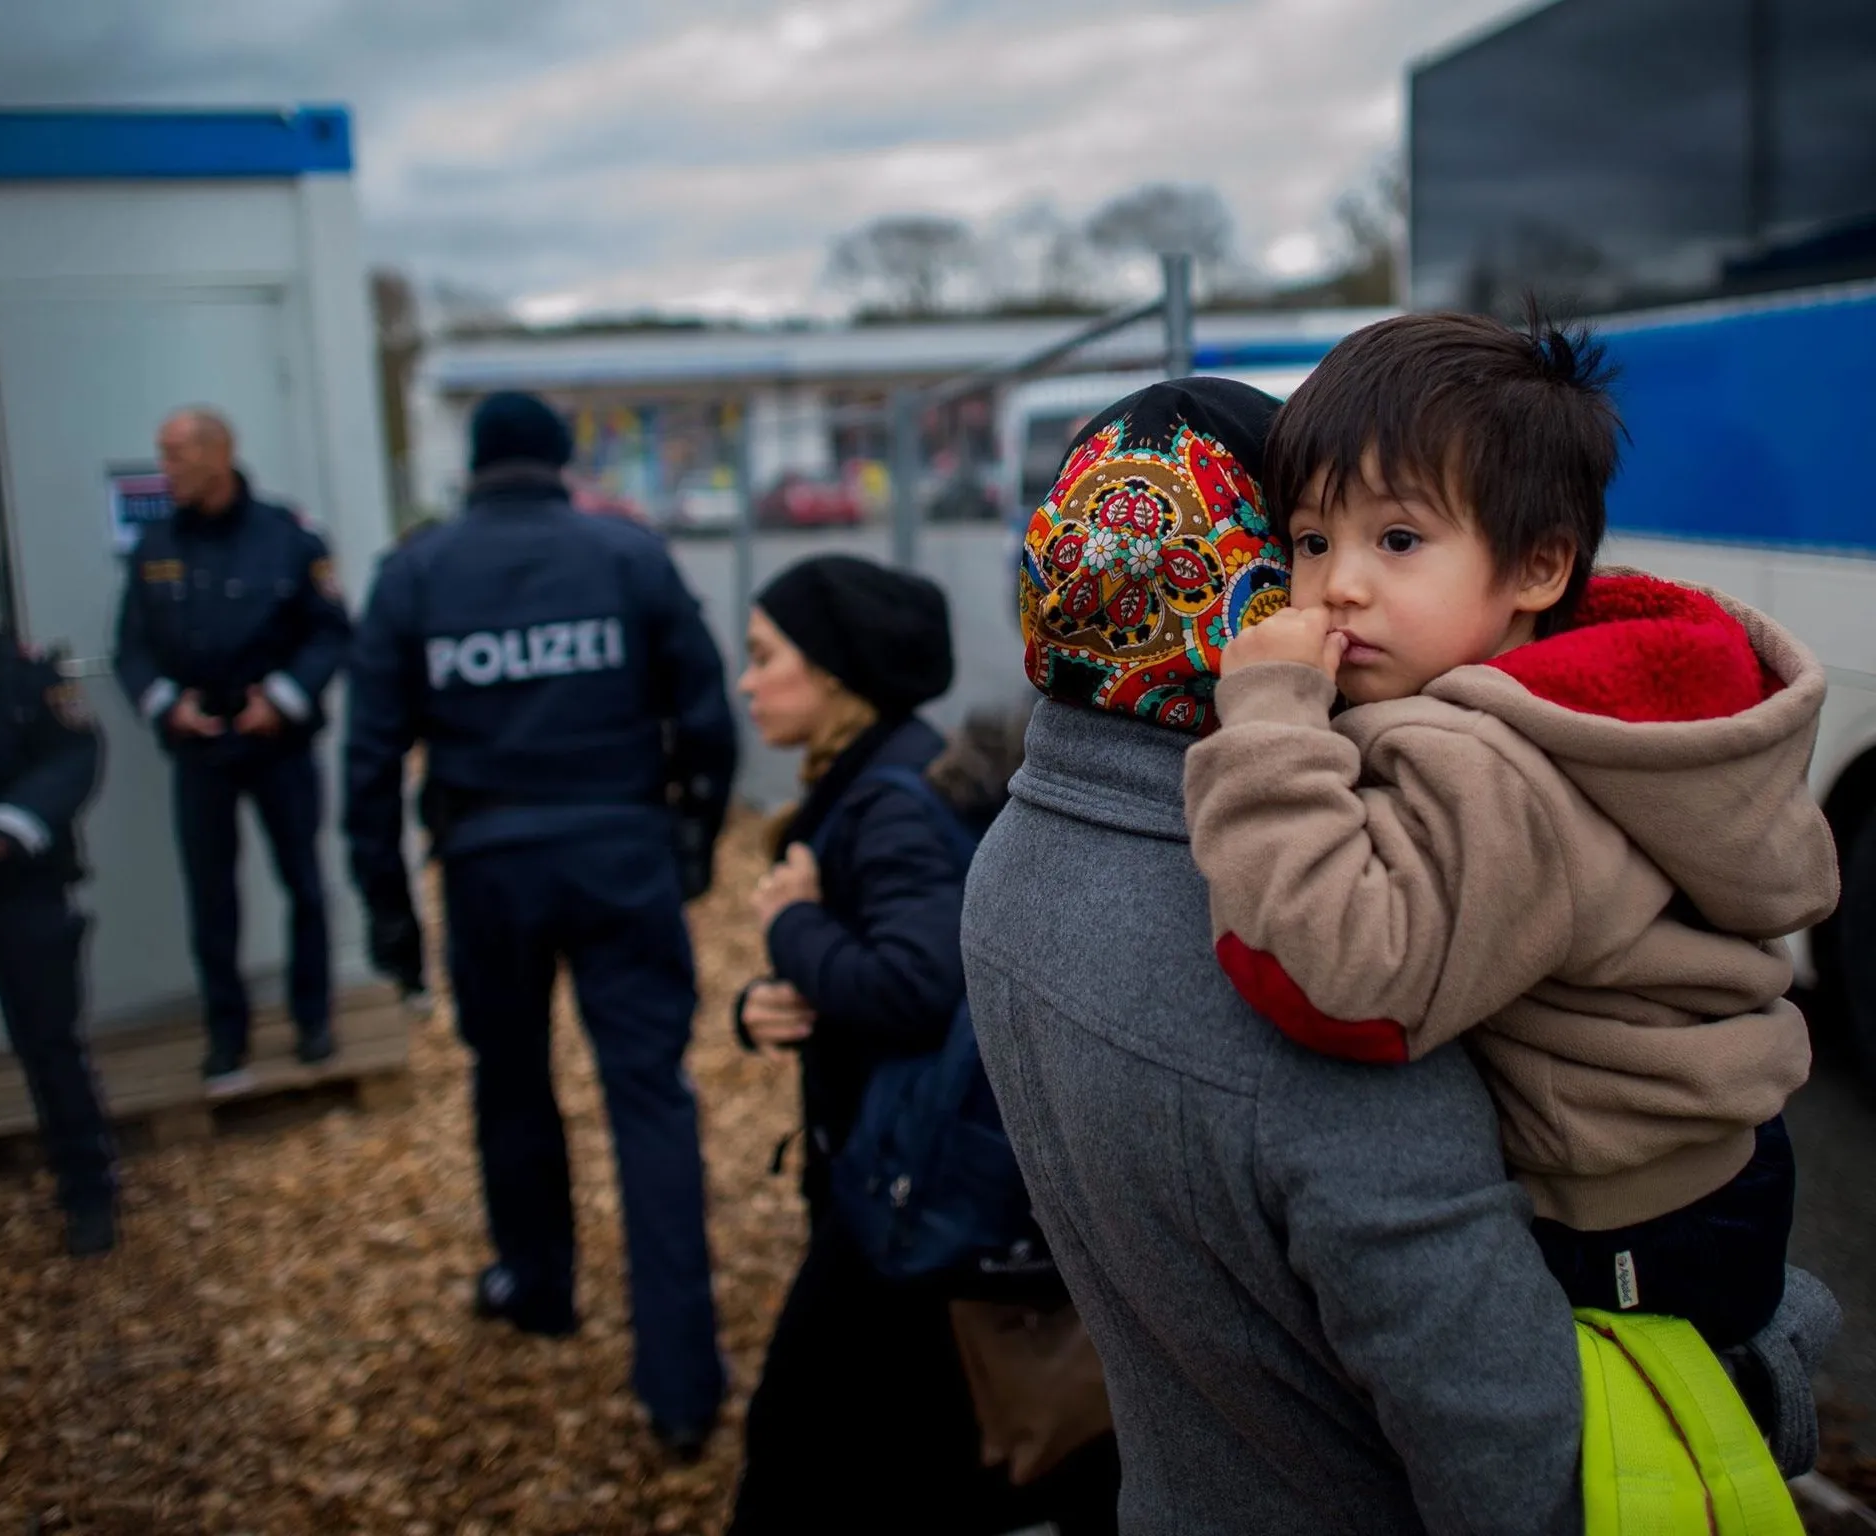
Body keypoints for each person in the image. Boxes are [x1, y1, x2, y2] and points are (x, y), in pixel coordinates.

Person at [966, 377, 1587, 1533]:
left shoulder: (1009, 854)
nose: (1348, 583)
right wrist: (1761, 1362)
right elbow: (1516, 1464)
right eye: (1311, 542)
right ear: (1259, 592)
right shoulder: (1292, 953)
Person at [1182, 313, 1836, 1350]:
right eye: (1311, 541)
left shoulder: (1497, 767)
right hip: (1697, 1176)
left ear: (1536, 567)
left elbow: (1342, 983)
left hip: (1622, 1224)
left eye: (1397, 540)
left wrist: (1266, 718)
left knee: (1601, 1475)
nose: (1338, 582)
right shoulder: (1570, 699)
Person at [344, 391, 735, 1458]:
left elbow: (370, 759)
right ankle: (681, 1384)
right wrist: (693, 830)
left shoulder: (416, 572)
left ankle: (539, 1288)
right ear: (560, 462)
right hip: (619, 854)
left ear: (474, 466)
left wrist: (388, 910)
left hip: (487, 870)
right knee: (649, 1097)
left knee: (510, 1084)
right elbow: (702, 706)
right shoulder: (626, 556)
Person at [728, 555, 1116, 1536]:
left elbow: (918, 983)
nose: (744, 681)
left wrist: (788, 927)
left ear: (836, 672)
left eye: (764, 655)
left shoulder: (892, 798)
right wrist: (764, 1001)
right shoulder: (881, 776)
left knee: (810, 1450)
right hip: (895, 1174)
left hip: (902, 1191)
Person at [112, 408, 353, 1092]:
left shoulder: (288, 537)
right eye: (162, 455)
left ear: (219, 454)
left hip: (277, 742)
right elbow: (130, 645)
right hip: (201, 746)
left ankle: (314, 1020)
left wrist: (280, 699)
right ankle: (227, 1039)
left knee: (304, 883)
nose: (167, 469)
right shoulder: (155, 542)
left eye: (177, 455)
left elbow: (331, 631)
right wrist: (165, 705)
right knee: (212, 896)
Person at [0, 614, 116, 1256]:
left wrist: (5, 829)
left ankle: (88, 1193)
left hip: (19, 883)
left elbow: (74, 752)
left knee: (51, 1045)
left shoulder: (18, 669)